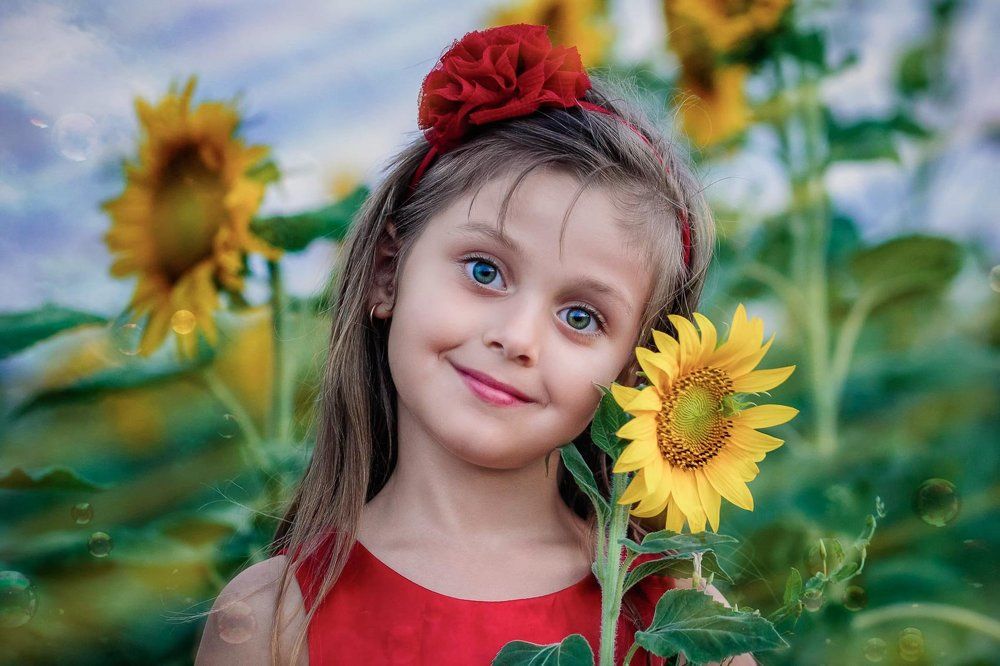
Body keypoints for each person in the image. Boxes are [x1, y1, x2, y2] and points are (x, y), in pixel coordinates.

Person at [195, 23, 756, 666]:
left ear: (635, 373)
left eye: (580, 316)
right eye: (484, 271)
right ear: (388, 273)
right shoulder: (271, 618)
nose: (517, 338)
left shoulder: (681, 628)